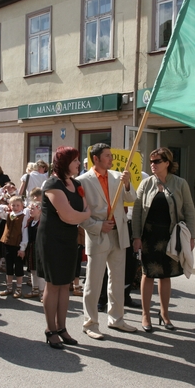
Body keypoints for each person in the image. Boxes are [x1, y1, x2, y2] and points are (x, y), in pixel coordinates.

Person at [77, 143, 137, 339]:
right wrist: (97, 226)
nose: (111, 159)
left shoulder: (118, 177)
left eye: (111, 155)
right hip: (98, 235)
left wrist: (127, 184)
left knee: (117, 280)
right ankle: (90, 323)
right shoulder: (82, 181)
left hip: (119, 233)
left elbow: (132, 198)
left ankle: (116, 318)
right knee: (93, 282)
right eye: (107, 156)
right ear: (96, 159)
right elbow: (80, 213)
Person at [132, 147, 195, 332]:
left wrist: (192, 236)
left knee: (166, 275)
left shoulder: (180, 183)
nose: (153, 165)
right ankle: (145, 315)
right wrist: (136, 236)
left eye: (157, 161)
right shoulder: (146, 184)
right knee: (148, 274)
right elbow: (137, 212)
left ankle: (164, 313)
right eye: (151, 162)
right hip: (149, 236)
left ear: (167, 163)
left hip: (170, 236)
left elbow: (189, 210)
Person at [36, 146, 91, 349]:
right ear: (64, 163)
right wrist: (83, 215)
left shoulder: (76, 184)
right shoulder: (52, 184)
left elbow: (82, 209)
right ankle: (50, 330)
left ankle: (62, 328)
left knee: (65, 283)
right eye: (75, 160)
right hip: (52, 239)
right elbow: (69, 215)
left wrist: (80, 215)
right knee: (53, 284)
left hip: (68, 238)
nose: (78, 163)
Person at [0, 196, 29, 298]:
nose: (15, 207)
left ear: (22, 206)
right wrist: (5, 207)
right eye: (13, 205)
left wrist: (22, 248)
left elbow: (24, 233)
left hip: (17, 245)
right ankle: (9, 287)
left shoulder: (23, 217)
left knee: (18, 267)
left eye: (17, 205)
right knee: (9, 267)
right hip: (8, 244)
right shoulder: (8, 214)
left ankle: (19, 288)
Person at [23, 200, 44, 299]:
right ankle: (34, 289)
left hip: (40, 248)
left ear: (39, 210)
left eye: (32, 209)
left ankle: (42, 293)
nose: (30, 210)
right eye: (30, 209)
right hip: (31, 247)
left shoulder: (43, 222)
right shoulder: (30, 222)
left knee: (40, 271)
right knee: (33, 270)